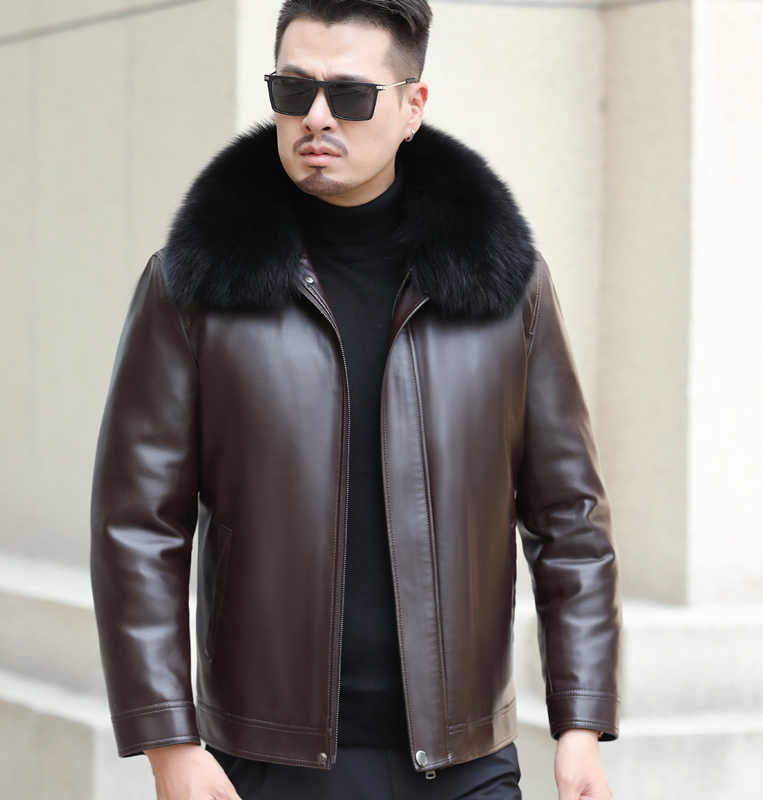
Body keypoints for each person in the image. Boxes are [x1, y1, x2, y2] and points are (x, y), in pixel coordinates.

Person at [90, 0, 621, 798]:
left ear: (412, 107)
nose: (316, 116)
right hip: (269, 763)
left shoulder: (507, 286)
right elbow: (138, 525)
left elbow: (568, 516)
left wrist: (580, 722)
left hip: (464, 765)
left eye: (350, 94)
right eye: (292, 89)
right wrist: (169, 741)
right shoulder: (192, 285)